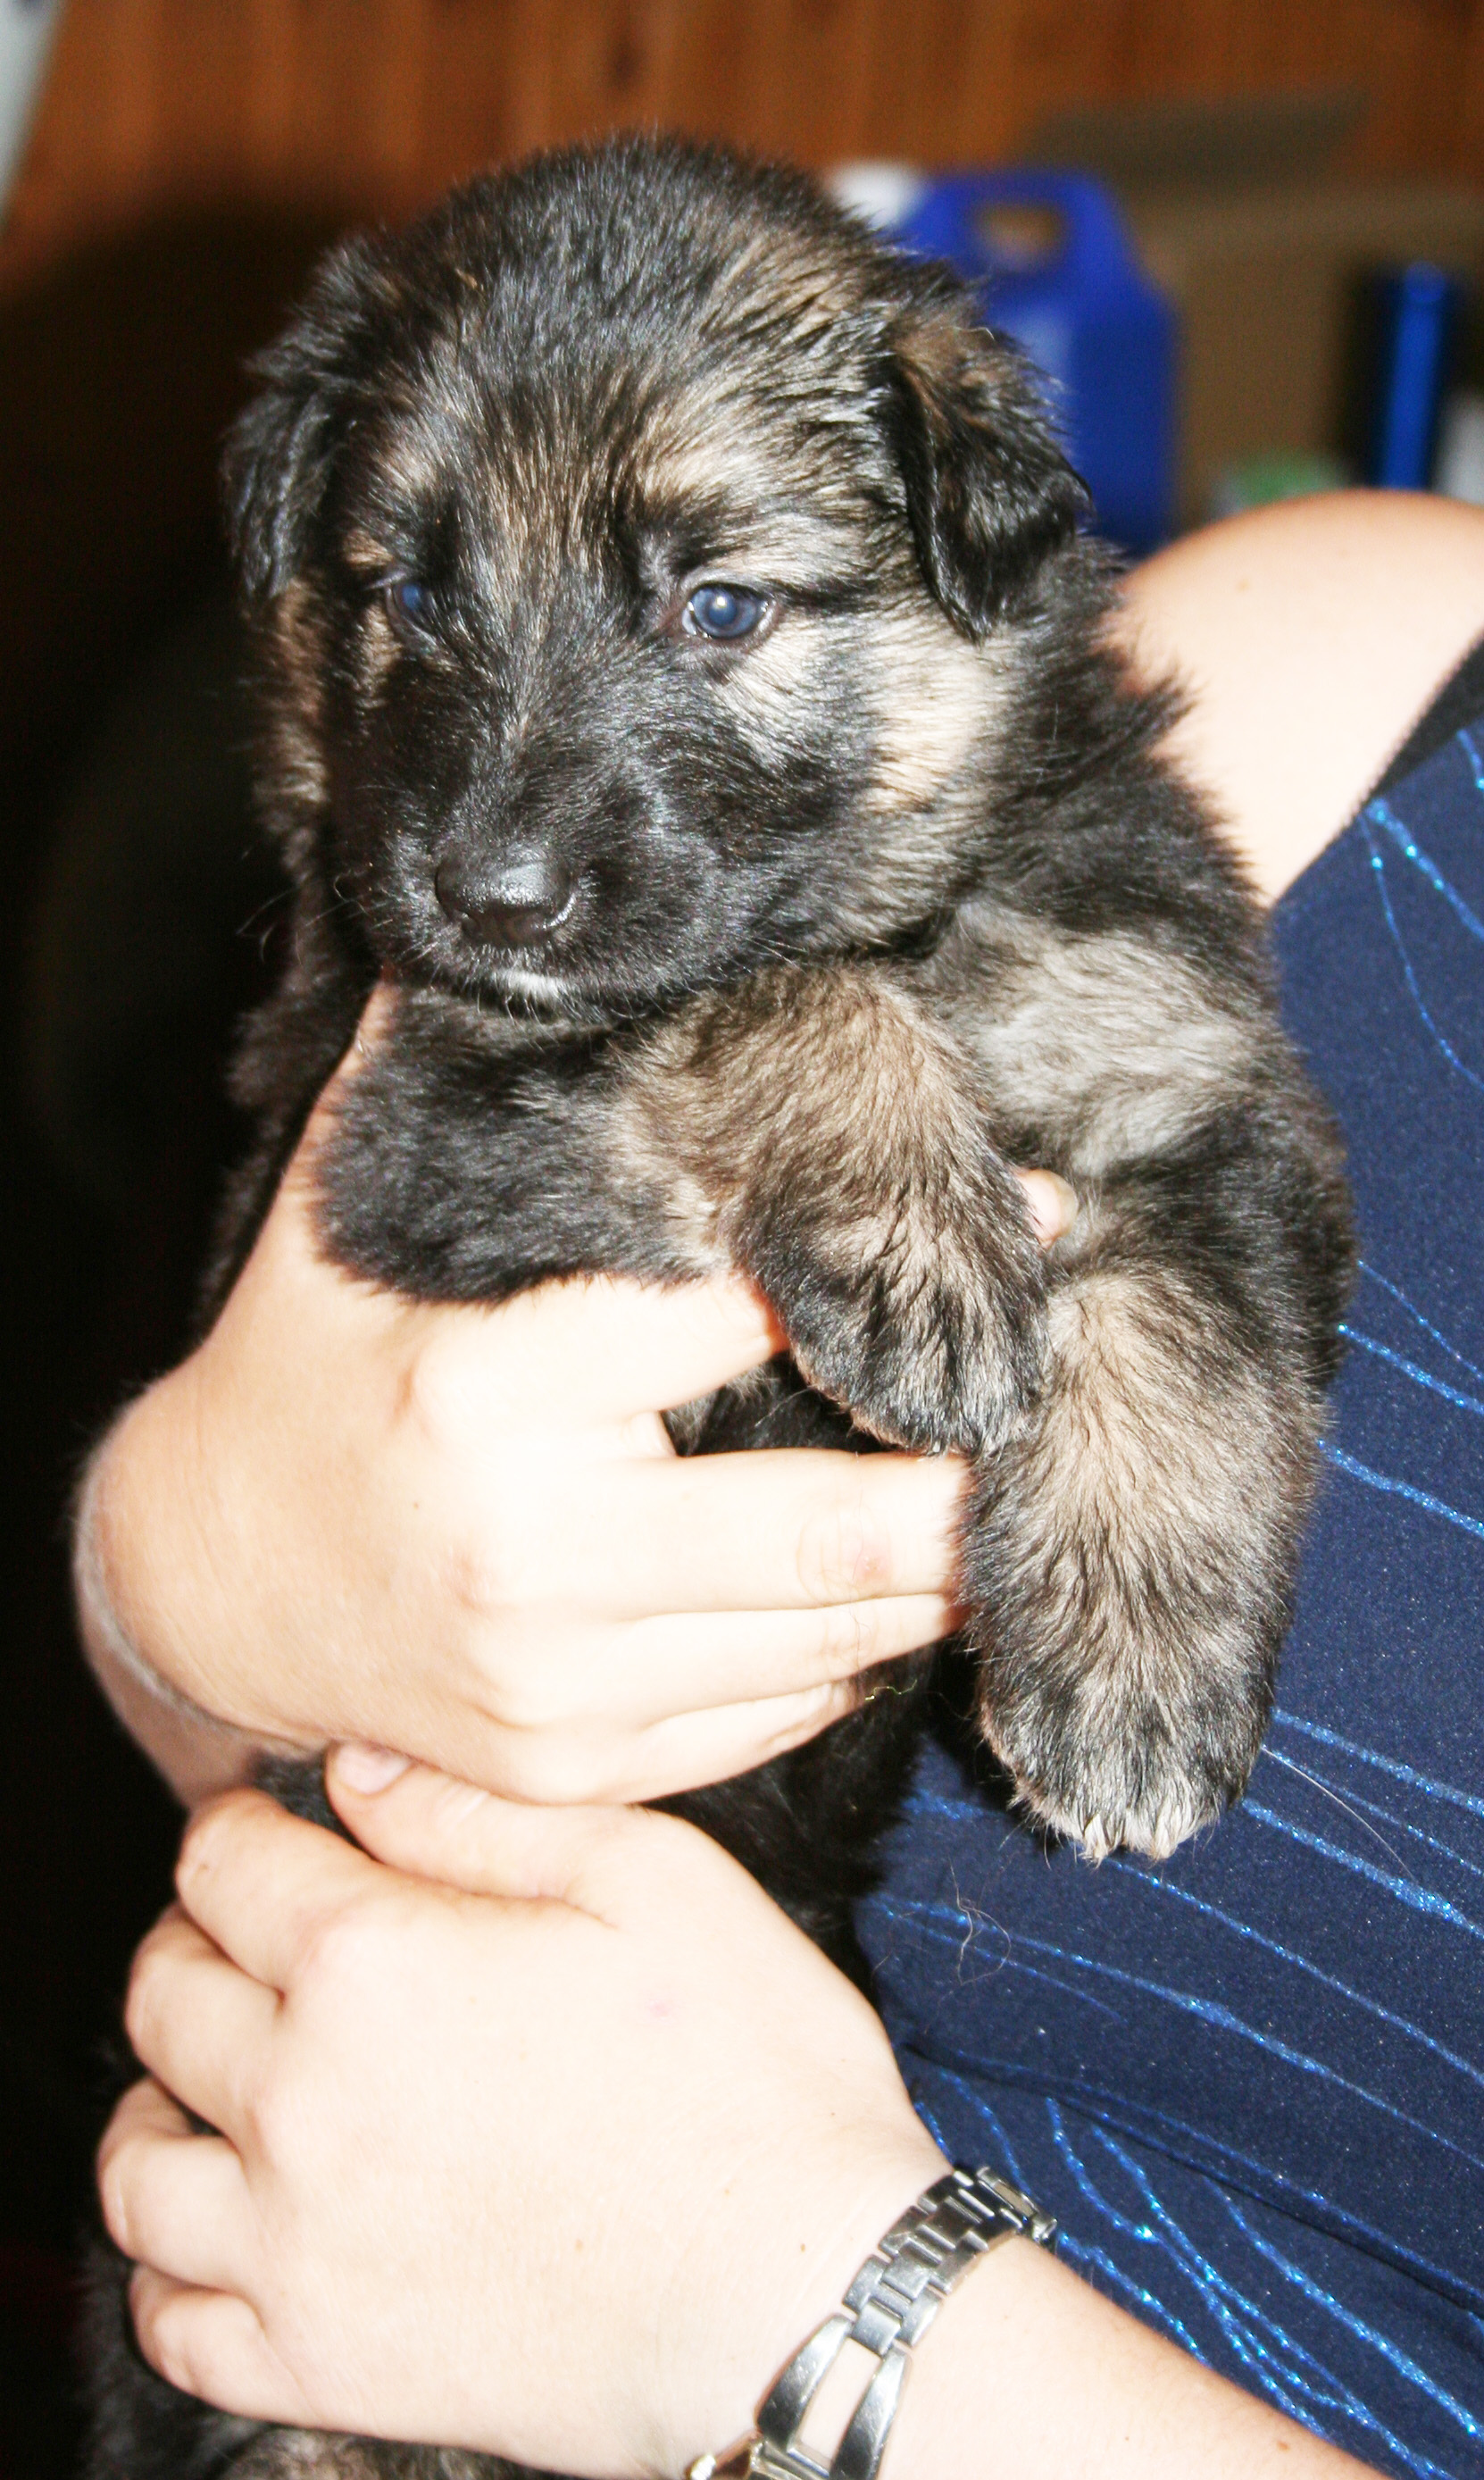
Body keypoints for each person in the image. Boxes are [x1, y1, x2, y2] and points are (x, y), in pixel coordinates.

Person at [83, 492, 1484, 2479]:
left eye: (719, 608)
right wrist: (190, 1564)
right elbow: (237, 1684)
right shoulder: (1352, 662)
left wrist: (801, 2317)